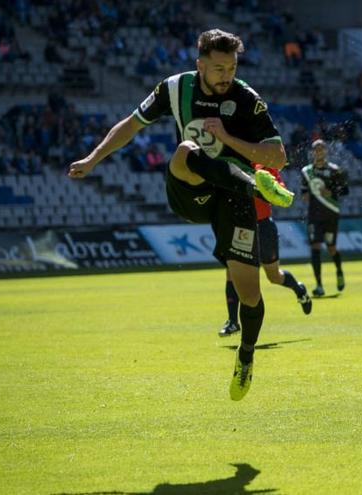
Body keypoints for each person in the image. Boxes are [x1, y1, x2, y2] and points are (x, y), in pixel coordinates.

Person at [67, 29, 294, 402]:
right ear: (200, 64)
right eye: (219, 68)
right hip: (189, 189)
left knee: (249, 294)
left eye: (232, 68)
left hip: (231, 198)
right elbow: (131, 125)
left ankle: (246, 357)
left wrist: (228, 138)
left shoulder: (246, 98)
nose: (226, 76)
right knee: (186, 149)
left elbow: (278, 157)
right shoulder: (174, 89)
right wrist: (93, 159)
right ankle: (256, 186)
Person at [220, 165, 313, 337]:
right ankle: (233, 321)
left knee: (274, 276)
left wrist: (266, 187)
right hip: (241, 225)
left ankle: (299, 289)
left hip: (263, 226)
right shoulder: (231, 164)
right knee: (232, 272)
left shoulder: (264, 167)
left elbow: (281, 193)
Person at [301, 139, 349, 296]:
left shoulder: (334, 170)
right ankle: (319, 285)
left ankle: (339, 271)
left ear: (326, 151)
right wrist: (306, 196)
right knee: (315, 247)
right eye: (316, 149)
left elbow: (345, 190)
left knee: (331, 247)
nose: (319, 152)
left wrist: (332, 193)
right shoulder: (307, 171)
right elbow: (303, 193)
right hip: (314, 215)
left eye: (321, 149)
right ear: (313, 152)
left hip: (330, 213)